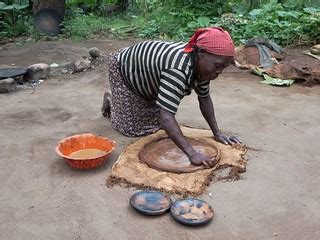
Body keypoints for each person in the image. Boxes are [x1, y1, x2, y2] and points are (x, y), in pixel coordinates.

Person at [101, 27, 241, 168]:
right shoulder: (178, 70)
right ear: (201, 52)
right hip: (125, 66)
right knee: (132, 129)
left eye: (223, 67)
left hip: (150, 73)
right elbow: (166, 117)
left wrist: (217, 132)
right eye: (217, 65)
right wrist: (192, 153)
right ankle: (112, 101)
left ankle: (135, 100)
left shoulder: (204, 67)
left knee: (158, 125)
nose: (219, 71)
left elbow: (204, 98)